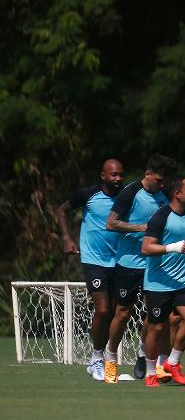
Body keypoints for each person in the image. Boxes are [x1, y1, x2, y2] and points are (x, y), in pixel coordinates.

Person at [104, 154, 176, 383]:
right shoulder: (130, 192)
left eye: (164, 181)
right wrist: (142, 228)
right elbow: (111, 223)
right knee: (123, 313)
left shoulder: (165, 196)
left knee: (156, 317)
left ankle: (144, 353)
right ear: (147, 174)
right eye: (158, 180)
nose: (162, 185)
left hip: (154, 265)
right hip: (129, 263)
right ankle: (111, 358)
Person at [55, 159, 124, 381]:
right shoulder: (89, 195)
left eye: (121, 175)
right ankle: (95, 358)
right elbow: (61, 210)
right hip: (93, 260)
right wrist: (67, 238)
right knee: (103, 310)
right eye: (113, 175)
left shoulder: (127, 197)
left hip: (119, 261)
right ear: (103, 176)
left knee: (113, 313)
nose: (118, 179)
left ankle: (105, 359)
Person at [140, 176, 185, 387]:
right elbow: (146, 248)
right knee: (156, 328)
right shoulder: (160, 217)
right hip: (158, 284)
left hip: (182, 281)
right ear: (177, 194)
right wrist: (171, 248)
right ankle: (149, 373)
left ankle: (172, 362)